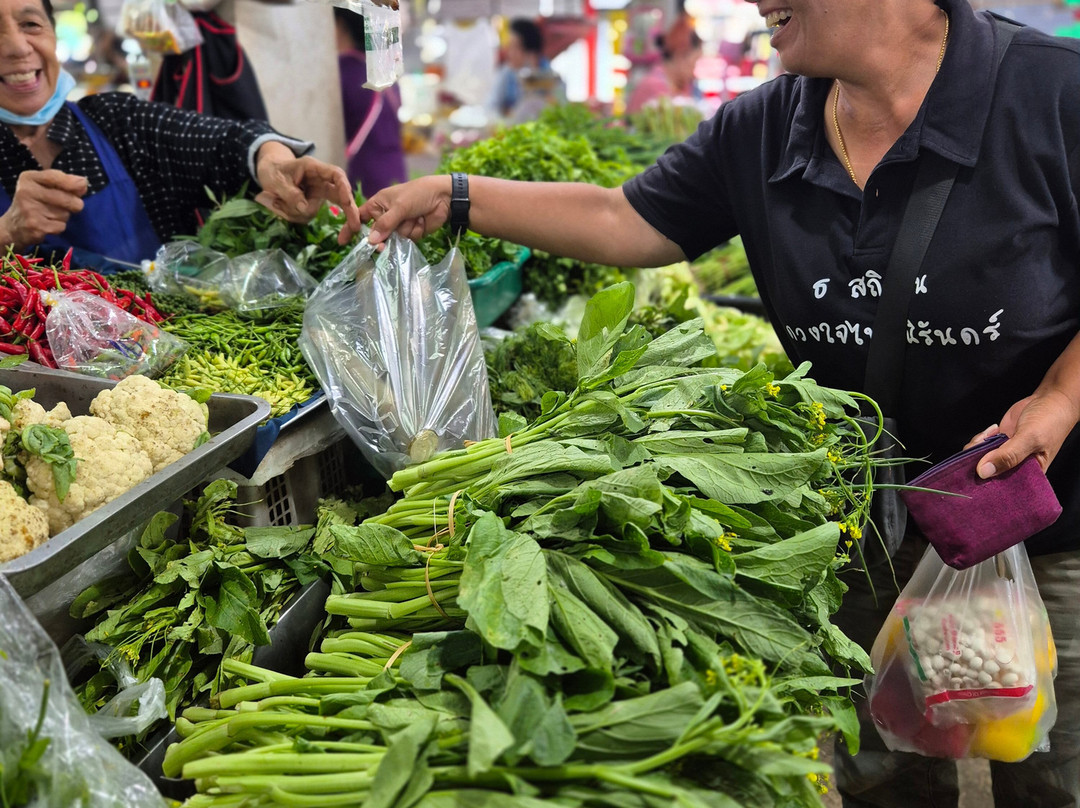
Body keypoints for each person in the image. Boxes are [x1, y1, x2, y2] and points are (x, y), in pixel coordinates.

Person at [358, 0, 1080, 805]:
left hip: (1048, 517)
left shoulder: (1052, 93)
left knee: (1056, 765)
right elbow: (626, 218)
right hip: (872, 526)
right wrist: (459, 195)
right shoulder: (764, 128)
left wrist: (1059, 396)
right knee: (889, 763)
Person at [0, 0, 361, 269]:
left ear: (53, 36)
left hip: (157, 353)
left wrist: (273, 160)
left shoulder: (115, 120)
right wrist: (6, 233)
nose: (17, 47)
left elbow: (224, 143)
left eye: (31, 24)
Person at [334, 6, 407, 199]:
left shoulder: (340, 72)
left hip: (363, 183)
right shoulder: (385, 73)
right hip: (397, 178)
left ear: (339, 25)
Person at [488, 18, 563, 123]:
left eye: (514, 47)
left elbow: (562, 108)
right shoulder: (506, 74)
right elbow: (491, 108)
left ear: (531, 52)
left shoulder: (550, 76)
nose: (509, 52)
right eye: (508, 46)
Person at [625, 14, 703, 116]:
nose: (694, 71)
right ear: (680, 55)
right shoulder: (651, 86)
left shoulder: (684, 87)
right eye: (694, 63)